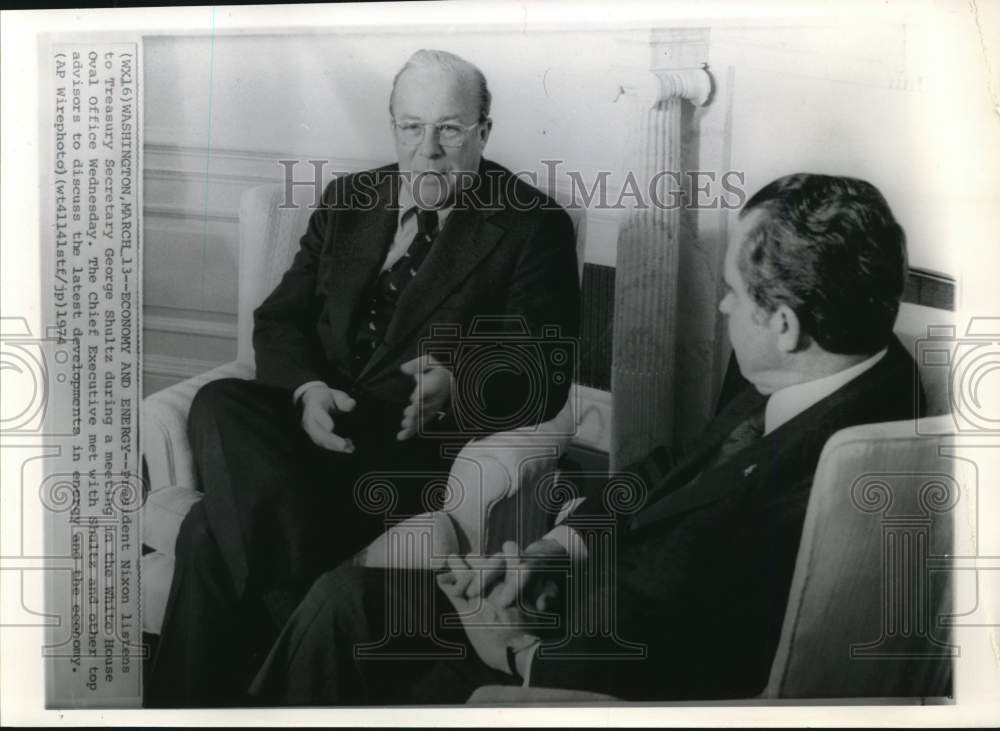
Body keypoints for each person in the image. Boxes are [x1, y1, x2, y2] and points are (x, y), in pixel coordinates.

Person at [247, 173, 925, 704]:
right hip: (575, 603)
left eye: (732, 294)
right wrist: (553, 551)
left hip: (584, 674)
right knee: (346, 599)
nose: (722, 307)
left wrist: (517, 648)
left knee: (345, 618)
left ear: (783, 324)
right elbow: (668, 473)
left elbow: (710, 649)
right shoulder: (838, 364)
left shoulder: (834, 469)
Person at [146, 49, 580, 706]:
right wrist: (307, 391)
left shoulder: (530, 223)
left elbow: (544, 371)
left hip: (401, 453)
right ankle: (291, 626)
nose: (428, 149)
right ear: (393, 127)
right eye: (411, 127)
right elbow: (280, 317)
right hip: (304, 436)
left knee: (210, 532)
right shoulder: (350, 200)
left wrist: (456, 383)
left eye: (450, 129)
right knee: (218, 400)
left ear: (484, 131)